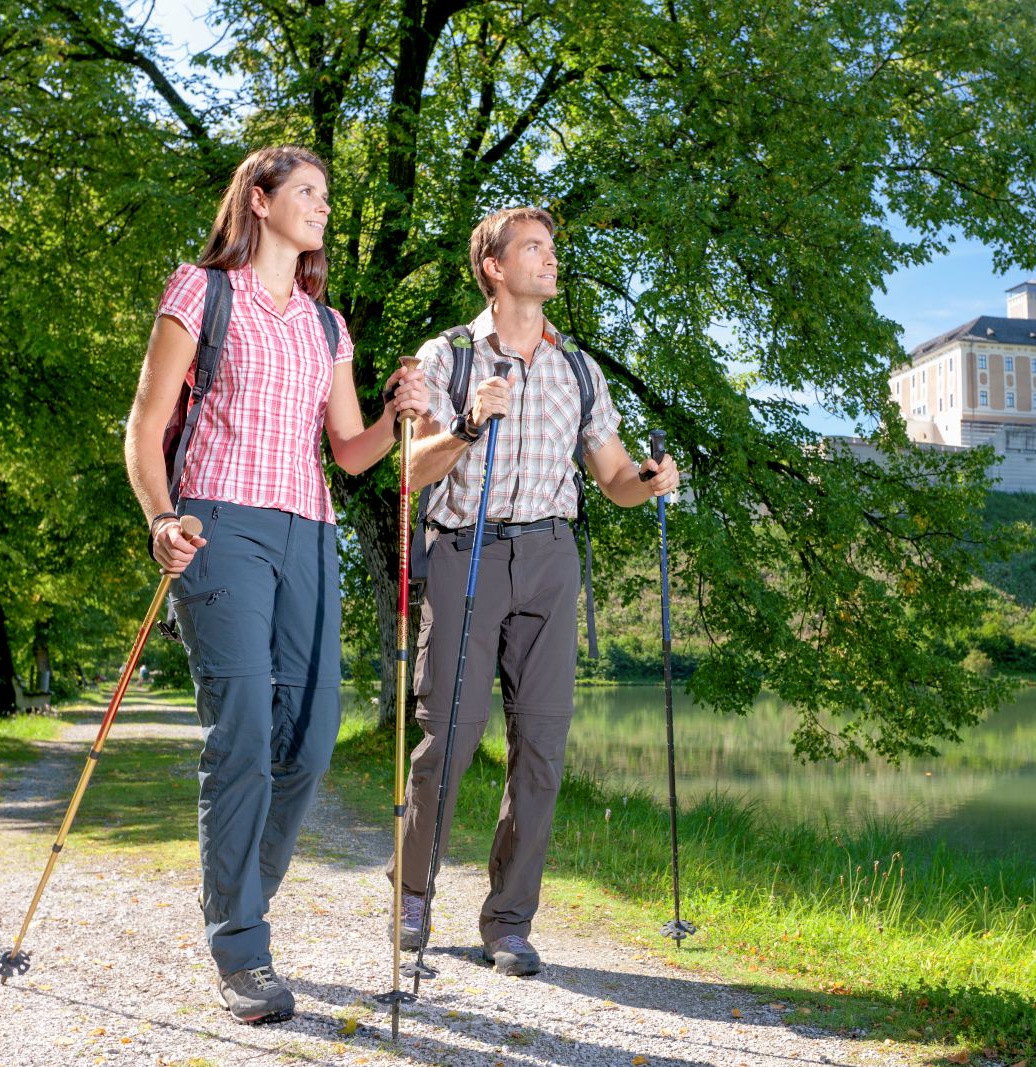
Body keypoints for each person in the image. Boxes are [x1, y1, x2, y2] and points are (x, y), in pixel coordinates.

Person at [122, 145, 430, 1023]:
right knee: (245, 734)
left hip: (310, 531)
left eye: (327, 195)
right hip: (219, 523)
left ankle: (234, 893)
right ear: (259, 200)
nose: (323, 205)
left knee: (312, 738)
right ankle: (242, 948)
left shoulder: (327, 326)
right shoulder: (201, 292)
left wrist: (395, 415)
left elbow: (351, 453)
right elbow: (145, 424)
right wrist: (161, 517)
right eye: (307, 191)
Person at [390, 206, 679, 977]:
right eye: (534, 248)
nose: (551, 259)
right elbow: (410, 470)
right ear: (494, 266)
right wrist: (467, 427)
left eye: (553, 248)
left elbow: (612, 477)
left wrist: (648, 482)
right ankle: (412, 895)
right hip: (465, 552)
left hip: (551, 556)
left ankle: (510, 921)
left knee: (543, 746)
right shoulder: (450, 355)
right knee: (449, 735)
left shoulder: (577, 368)